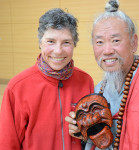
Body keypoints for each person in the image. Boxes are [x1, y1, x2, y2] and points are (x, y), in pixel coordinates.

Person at [0, 8, 94, 150]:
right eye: (50, 41)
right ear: (40, 43)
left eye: (66, 42)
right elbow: (7, 144)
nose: (58, 50)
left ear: (74, 44)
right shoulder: (17, 87)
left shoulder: (86, 81)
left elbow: (93, 139)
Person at [66, 0, 139, 149]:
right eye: (99, 42)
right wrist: (82, 133)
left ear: (134, 43)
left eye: (115, 40)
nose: (107, 50)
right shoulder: (98, 91)